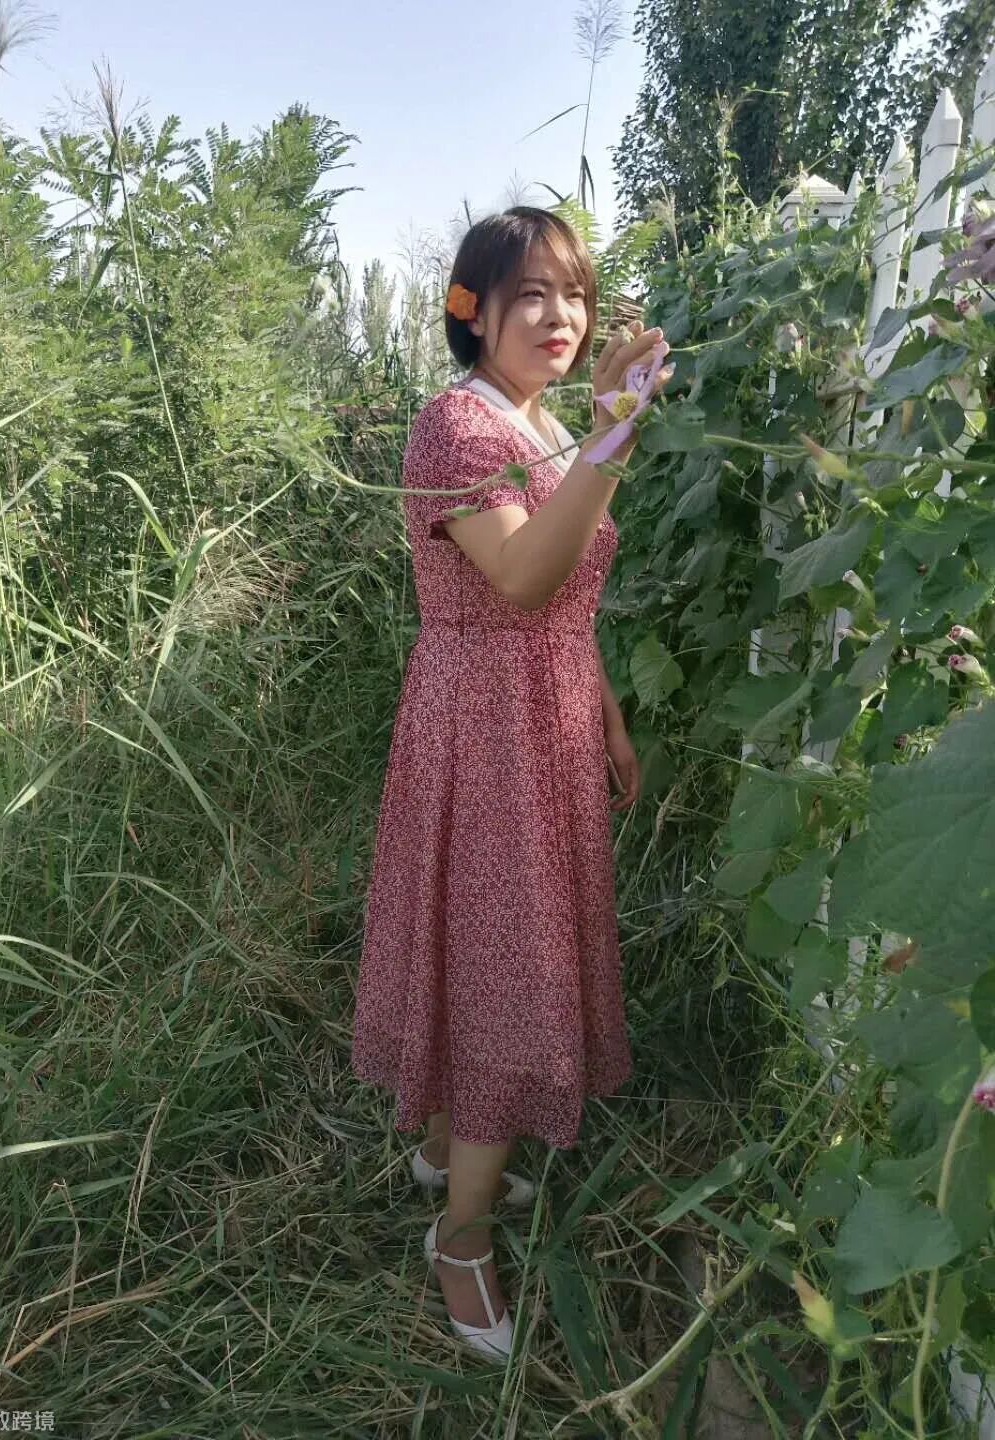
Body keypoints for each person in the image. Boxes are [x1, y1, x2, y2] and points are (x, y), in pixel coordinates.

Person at [350, 206, 675, 1362]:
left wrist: (607, 711)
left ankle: (451, 1150)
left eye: (574, 293)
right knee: (504, 961)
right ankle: (461, 1237)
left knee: (490, 940)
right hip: (483, 728)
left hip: (547, 712)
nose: (559, 316)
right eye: (529, 293)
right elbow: (526, 578)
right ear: (472, 311)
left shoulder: (541, 423)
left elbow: (568, 600)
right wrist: (616, 437)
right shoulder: (456, 427)